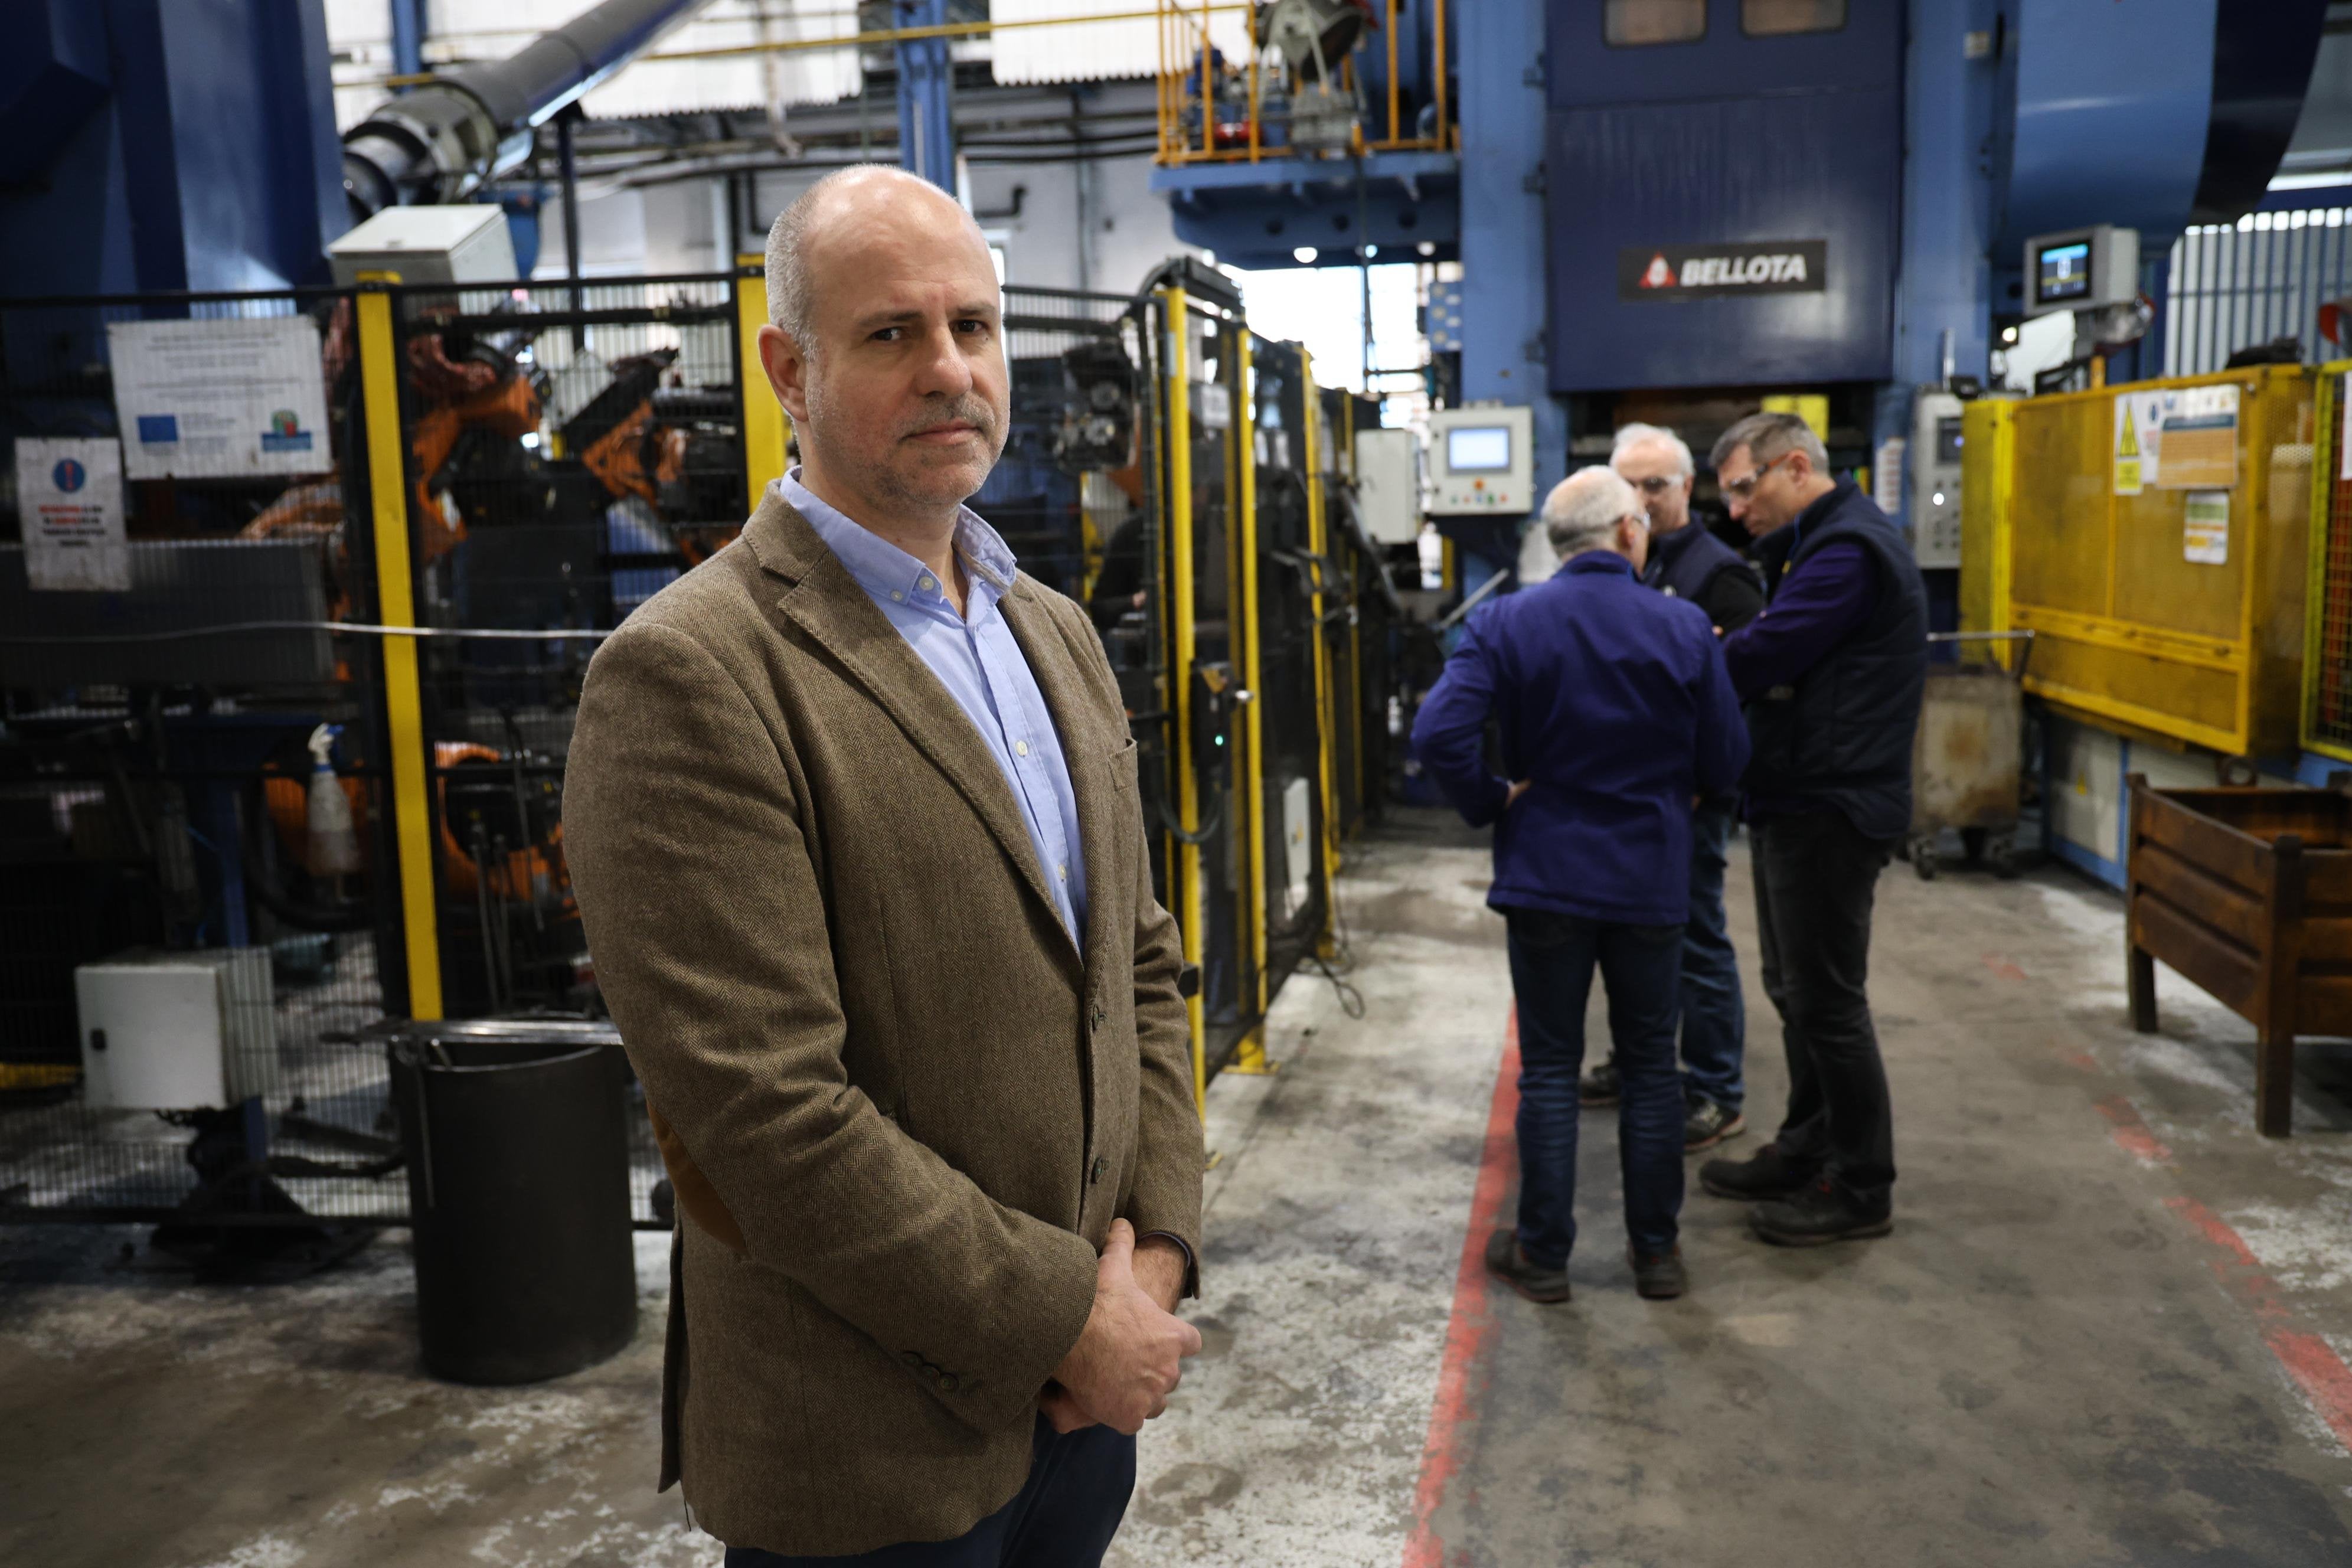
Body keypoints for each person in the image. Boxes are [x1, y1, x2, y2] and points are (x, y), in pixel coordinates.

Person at [562, 166, 1205, 1566]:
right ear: (788, 367)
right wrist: (1067, 1318)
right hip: (865, 1453)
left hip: (1082, 1417)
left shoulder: (1053, 632)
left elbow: (1139, 967)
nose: (950, 370)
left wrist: (1150, 1258)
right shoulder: (691, 670)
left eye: (974, 327)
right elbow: (764, 1116)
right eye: (891, 334)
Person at [1413, 468, 1749, 1305]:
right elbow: (1730, 757)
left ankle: (1545, 1253)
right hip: (1650, 879)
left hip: (1546, 876)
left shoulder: (1506, 622)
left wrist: (1494, 800)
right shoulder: (1681, 627)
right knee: (1649, 1068)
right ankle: (1657, 1254)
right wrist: (1688, 793)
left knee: (1553, 1070)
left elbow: (1438, 733)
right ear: (1631, 535)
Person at [1697, 411, 1926, 1247]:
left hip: (1832, 805)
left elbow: (1766, 653)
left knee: (1828, 1003)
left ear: (1796, 467)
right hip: (1797, 795)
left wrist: (1686, 659)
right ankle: (1807, 1148)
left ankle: (1862, 1188)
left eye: (1744, 489)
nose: (1734, 512)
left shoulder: (1846, 553)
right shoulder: (1811, 546)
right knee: (1796, 993)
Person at [1578, 423, 1763, 1154]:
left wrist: (1700, 781)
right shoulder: (1619, 569)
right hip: (1621, 802)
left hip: (1685, 803)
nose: (1645, 498)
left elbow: (1742, 692)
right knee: (1630, 942)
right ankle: (1637, 1062)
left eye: (1657, 483)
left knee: (1697, 940)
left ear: (1689, 488)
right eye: (1631, 485)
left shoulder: (1721, 575)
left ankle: (1718, 1089)